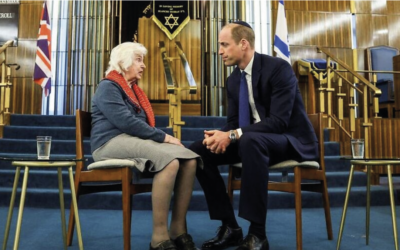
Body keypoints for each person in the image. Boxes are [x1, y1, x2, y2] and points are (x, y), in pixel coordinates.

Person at [189, 21, 318, 250]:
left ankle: (257, 234)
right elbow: (233, 124)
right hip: (253, 142)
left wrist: (233, 134)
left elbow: (279, 122)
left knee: (249, 139)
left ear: (244, 44)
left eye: (224, 45)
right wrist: (221, 136)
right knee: (199, 150)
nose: (220, 51)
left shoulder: (278, 68)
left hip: (289, 140)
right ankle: (230, 227)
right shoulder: (232, 80)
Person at [91, 42, 202, 250]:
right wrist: (164, 137)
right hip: (108, 143)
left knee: (189, 158)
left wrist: (163, 139)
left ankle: (178, 230)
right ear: (123, 63)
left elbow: (136, 127)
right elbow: (127, 123)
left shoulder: (133, 91)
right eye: (138, 60)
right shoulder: (108, 86)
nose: (143, 66)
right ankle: (159, 238)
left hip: (131, 141)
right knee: (169, 161)